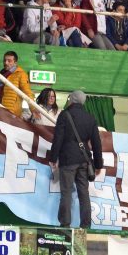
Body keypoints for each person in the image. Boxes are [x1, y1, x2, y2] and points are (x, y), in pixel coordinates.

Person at [49, 90, 104, 228]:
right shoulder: (90, 118)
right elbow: (97, 143)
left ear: (71, 100)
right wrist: (98, 164)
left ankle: (65, 224)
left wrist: (53, 157)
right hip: (84, 161)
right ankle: (86, 226)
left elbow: (58, 138)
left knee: (66, 193)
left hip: (67, 159)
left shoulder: (64, 115)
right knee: (84, 193)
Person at [0, 51, 33, 118]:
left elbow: (27, 92)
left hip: (12, 114)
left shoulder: (21, 74)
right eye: (5, 60)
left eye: (9, 61)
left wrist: (33, 108)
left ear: (15, 63)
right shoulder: (1, 74)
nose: (6, 63)